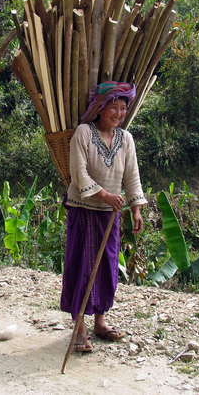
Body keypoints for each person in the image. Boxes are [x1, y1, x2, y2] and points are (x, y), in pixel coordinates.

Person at [61, 81, 147, 353]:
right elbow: (79, 173)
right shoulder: (84, 133)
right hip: (84, 209)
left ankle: (99, 322)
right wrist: (105, 196)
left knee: (107, 269)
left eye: (123, 108)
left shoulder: (126, 138)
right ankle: (80, 328)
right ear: (99, 108)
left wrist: (135, 208)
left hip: (110, 214)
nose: (119, 113)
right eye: (114, 107)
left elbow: (131, 175)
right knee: (82, 266)